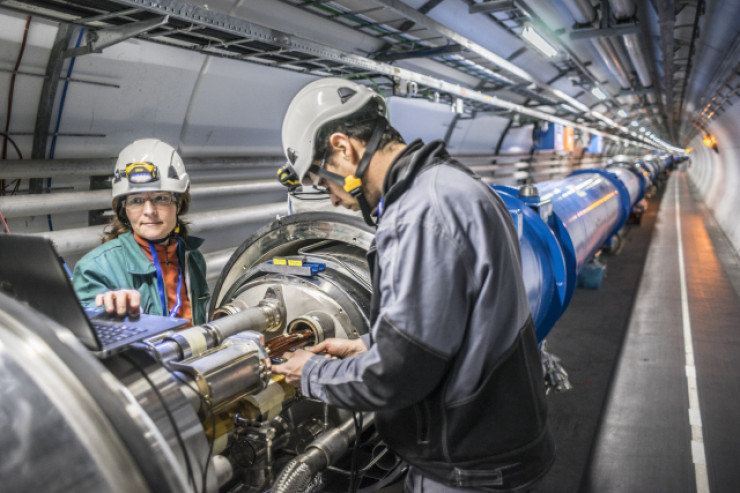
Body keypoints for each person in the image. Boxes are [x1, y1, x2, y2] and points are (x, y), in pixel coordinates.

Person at [272, 77, 555, 492]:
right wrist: (370, 345)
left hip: (468, 467)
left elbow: (396, 376)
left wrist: (312, 373)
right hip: (494, 447)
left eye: (322, 181)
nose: (331, 199)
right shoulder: (449, 184)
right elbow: (450, 324)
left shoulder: (419, 214)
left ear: (343, 148)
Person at [73, 138, 209, 327]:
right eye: (136, 201)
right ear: (124, 209)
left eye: (161, 198)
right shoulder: (95, 269)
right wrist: (108, 315)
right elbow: (85, 330)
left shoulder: (192, 258)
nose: (149, 211)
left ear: (179, 203)